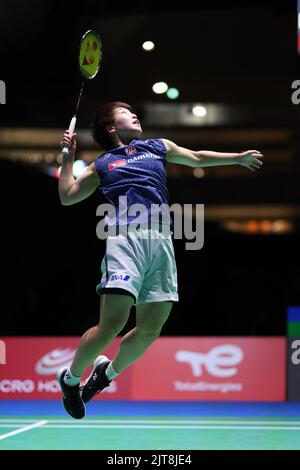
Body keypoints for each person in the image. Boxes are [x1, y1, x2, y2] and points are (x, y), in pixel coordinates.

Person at [57, 101, 263, 419]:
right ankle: (71, 380)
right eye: (126, 113)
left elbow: (194, 157)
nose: (134, 114)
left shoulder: (156, 147)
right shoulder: (103, 165)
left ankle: (104, 376)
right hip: (125, 240)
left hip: (161, 241)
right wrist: (68, 158)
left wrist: (237, 158)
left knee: (151, 329)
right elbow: (68, 195)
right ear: (111, 127)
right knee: (112, 324)